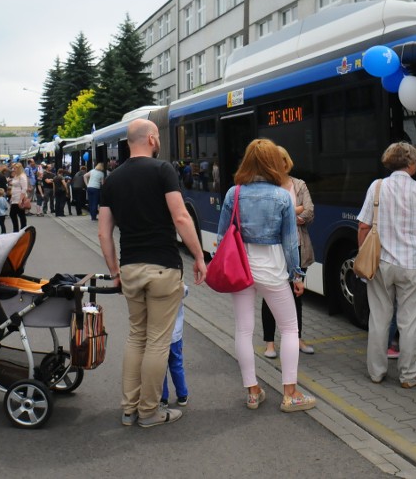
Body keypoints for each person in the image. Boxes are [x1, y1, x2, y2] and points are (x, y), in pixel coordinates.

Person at [98, 118, 207, 428]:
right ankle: (149, 412)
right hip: (162, 267)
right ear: (149, 139)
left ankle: (128, 409)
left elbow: (104, 234)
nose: (159, 140)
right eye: (157, 136)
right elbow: (181, 217)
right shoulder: (162, 170)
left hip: (130, 268)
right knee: (158, 342)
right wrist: (199, 257)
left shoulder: (112, 180)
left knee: (136, 338)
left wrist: (114, 272)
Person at [217, 138, 315, 413]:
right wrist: (297, 275)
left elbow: (223, 235)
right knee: (289, 328)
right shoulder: (282, 196)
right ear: (274, 163)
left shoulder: (233, 193)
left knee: (243, 330)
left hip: (241, 267)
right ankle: (290, 393)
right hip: (271, 267)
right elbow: (289, 242)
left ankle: (252, 391)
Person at [357, 142, 416, 389]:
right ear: (411, 164)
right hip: (415, 265)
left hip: (381, 263)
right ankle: (408, 375)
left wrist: (364, 255)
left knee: (379, 319)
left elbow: (363, 226)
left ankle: (376, 372)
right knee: (409, 322)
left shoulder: (376, 187)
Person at [263, 146, 315, 358]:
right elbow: (267, 217)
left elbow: (310, 212)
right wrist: (296, 209)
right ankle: (269, 343)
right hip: (274, 249)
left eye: (281, 160)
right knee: (271, 296)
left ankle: (297, 339)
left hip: (299, 247)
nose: (279, 165)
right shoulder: (266, 186)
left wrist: (285, 213)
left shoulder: (298, 184)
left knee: (297, 294)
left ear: (287, 162)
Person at [161, 285, 189, 409]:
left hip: (159, 337)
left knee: (161, 368)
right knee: (177, 365)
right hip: (175, 336)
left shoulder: (155, 288)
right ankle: (182, 395)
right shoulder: (178, 286)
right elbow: (185, 291)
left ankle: (163, 398)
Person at [8, 162, 29, 232]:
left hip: (19, 198)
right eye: (13, 168)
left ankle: (21, 229)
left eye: (15, 168)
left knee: (17, 213)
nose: (14, 170)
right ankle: (19, 229)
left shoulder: (22, 176)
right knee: (17, 214)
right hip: (15, 197)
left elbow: (24, 188)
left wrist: (21, 199)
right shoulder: (16, 176)